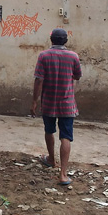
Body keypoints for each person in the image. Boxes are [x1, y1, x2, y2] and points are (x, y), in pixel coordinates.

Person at [31, 28, 82, 185]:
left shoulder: (44, 56)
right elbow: (77, 75)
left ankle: (52, 159)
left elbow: (39, 80)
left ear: (51, 39)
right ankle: (63, 174)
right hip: (67, 104)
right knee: (66, 136)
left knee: (49, 131)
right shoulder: (73, 56)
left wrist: (34, 101)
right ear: (65, 41)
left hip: (48, 103)